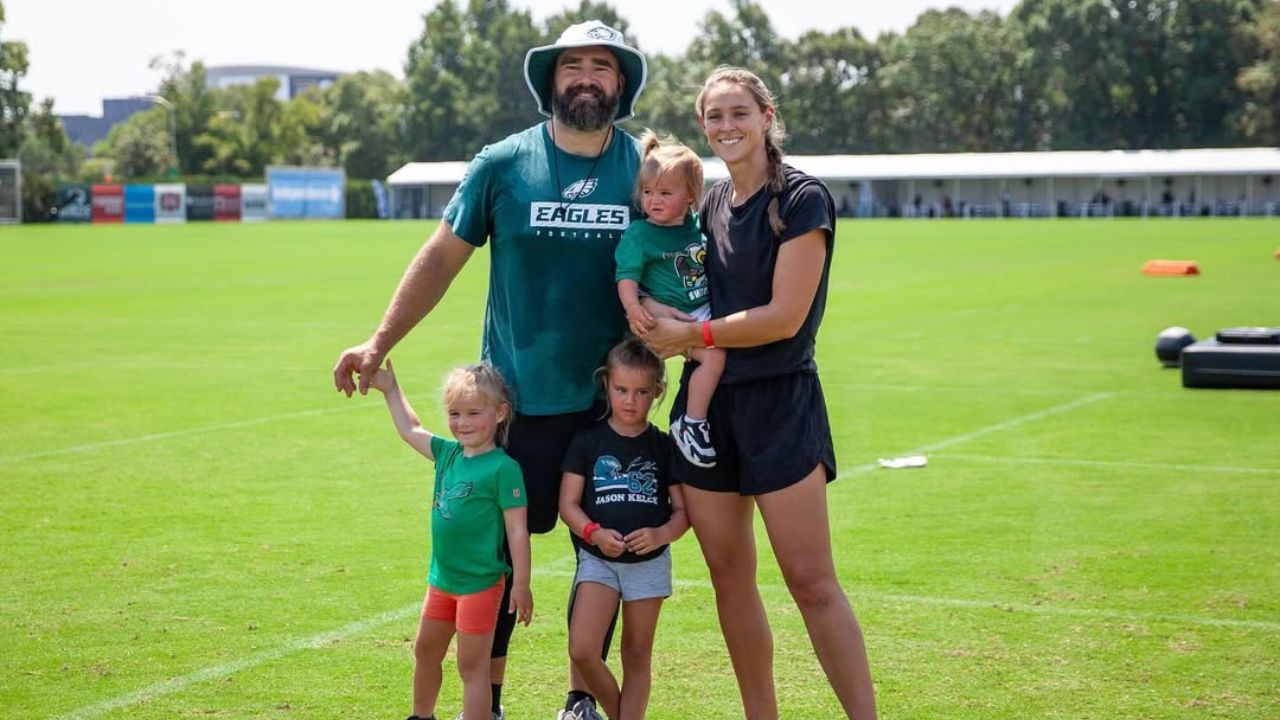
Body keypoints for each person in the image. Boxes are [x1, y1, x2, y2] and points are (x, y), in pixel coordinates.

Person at [333, 20, 647, 720]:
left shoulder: (645, 167)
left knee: (604, 563)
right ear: (550, 82)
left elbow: (684, 261)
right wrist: (379, 343)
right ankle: (493, 700)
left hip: (609, 409)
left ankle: (581, 696)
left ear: (620, 83)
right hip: (515, 407)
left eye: (602, 67)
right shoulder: (502, 164)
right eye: (573, 67)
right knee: (492, 562)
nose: (587, 79)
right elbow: (442, 258)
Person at [640, 67, 877, 719]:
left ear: (767, 116)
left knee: (810, 581)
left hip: (780, 405)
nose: (726, 127)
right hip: (708, 412)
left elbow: (784, 317)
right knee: (729, 579)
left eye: (739, 112)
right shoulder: (710, 203)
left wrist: (692, 335)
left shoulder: (801, 199)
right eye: (714, 117)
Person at [366, 360, 533, 720]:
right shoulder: (448, 454)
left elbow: (518, 530)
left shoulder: (504, 469)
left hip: (480, 585)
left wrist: (521, 584)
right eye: (455, 413)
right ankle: (421, 715)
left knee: (472, 668)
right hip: (441, 581)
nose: (463, 423)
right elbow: (411, 429)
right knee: (426, 652)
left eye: (474, 413)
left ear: (500, 413)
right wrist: (391, 389)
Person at [557, 338, 689, 720]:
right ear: (606, 386)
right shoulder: (587, 441)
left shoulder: (663, 446)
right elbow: (568, 505)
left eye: (642, 392)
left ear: (657, 392)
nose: (630, 400)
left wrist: (662, 534)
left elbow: (682, 512)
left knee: (635, 653)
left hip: (648, 565)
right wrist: (593, 533)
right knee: (582, 648)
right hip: (599, 562)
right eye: (621, 390)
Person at [614, 131, 725, 468]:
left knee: (726, 348)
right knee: (714, 356)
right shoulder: (640, 233)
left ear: (691, 196)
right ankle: (692, 422)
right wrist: (635, 308)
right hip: (665, 319)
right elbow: (626, 277)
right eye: (647, 192)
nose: (653, 200)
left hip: (699, 309)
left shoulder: (696, 226)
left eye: (665, 192)